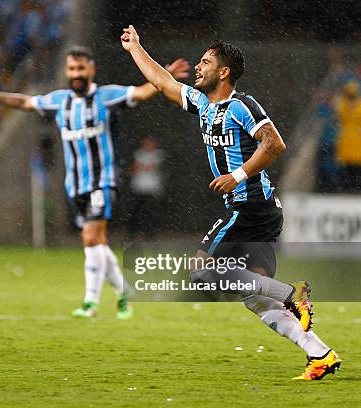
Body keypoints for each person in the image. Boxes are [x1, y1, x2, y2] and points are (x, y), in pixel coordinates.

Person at [120, 25, 340, 380]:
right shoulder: (204, 104)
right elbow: (163, 83)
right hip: (262, 211)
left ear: (224, 72)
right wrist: (135, 49)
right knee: (255, 296)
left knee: (200, 270)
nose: (197, 67)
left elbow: (274, 144)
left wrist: (236, 176)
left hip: (249, 206)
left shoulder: (241, 106)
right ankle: (321, 353)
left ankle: (291, 292)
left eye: (205, 62)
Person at [0, 46, 190, 319]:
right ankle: (123, 293)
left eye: (81, 69)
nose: (76, 74)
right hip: (75, 185)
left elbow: (142, 92)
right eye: (72, 69)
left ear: (91, 70)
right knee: (98, 244)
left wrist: (165, 77)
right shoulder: (60, 101)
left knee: (90, 237)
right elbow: (25, 102)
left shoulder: (106, 97)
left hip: (102, 181)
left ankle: (90, 303)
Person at [335, 81, 361, 193]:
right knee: (347, 167)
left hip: (359, 140)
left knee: (359, 168)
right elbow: (340, 114)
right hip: (347, 140)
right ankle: (347, 189)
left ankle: (360, 190)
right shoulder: (342, 104)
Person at [128, 136, 164, 239]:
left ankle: (150, 234)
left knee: (150, 213)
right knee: (136, 212)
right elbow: (132, 168)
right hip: (138, 187)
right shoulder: (138, 153)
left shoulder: (158, 154)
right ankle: (133, 233)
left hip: (152, 189)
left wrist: (142, 166)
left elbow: (154, 167)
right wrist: (144, 166)